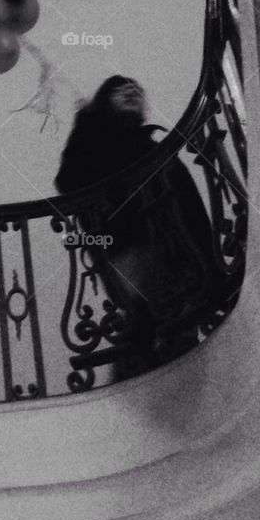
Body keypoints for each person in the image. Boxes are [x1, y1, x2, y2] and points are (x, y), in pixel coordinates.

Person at [54, 75, 218, 370]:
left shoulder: (151, 146)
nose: (131, 90)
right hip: (127, 241)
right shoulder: (94, 141)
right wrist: (86, 122)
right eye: (119, 89)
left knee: (176, 320)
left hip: (175, 245)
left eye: (136, 89)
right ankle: (139, 366)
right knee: (146, 315)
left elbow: (186, 199)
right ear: (104, 101)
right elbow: (69, 180)